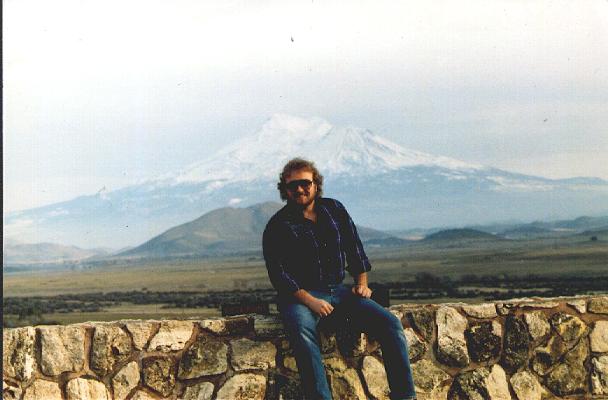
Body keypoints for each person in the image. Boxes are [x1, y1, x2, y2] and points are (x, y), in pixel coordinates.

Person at [263, 158, 416, 400]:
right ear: (285, 189)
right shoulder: (278, 225)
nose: (300, 189)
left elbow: (354, 248)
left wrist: (362, 283)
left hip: (339, 291)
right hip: (300, 297)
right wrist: (311, 301)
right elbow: (279, 274)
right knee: (303, 332)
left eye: (305, 183)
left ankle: (405, 396)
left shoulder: (334, 210)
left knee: (390, 324)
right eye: (293, 186)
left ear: (316, 184)